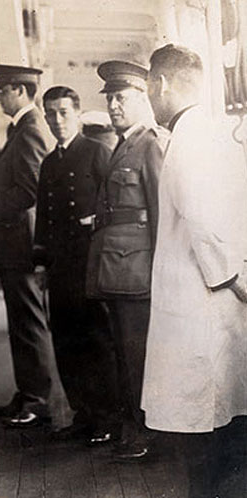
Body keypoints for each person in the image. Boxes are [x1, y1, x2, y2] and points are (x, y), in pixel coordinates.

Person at [143, 44, 247, 497]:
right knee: (215, 409)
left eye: (149, 85)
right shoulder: (206, 133)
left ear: (160, 83)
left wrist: (232, 277)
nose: (150, 94)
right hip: (209, 292)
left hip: (204, 293)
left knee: (204, 416)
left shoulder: (190, 139)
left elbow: (203, 216)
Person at [86, 60, 169, 460]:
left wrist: (162, 270)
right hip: (120, 268)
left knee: (136, 355)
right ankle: (133, 428)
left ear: (141, 99)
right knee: (124, 351)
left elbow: (160, 212)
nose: (114, 106)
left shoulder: (149, 144)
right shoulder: (123, 145)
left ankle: (144, 433)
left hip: (139, 270)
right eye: (110, 99)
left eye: (121, 98)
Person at [0, 64, 70, 429]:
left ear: (19, 90)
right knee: (20, 321)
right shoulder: (22, 129)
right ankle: (27, 392)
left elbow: (32, 191)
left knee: (28, 322)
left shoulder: (30, 130)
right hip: (14, 243)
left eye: (2, 90)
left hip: (21, 242)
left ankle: (37, 399)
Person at [34, 86, 118, 444]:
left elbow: (115, 205)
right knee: (65, 340)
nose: (57, 120)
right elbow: (43, 216)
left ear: (78, 114)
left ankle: (106, 418)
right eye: (51, 114)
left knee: (96, 339)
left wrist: (96, 222)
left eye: (64, 112)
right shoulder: (49, 163)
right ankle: (82, 414)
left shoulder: (98, 152)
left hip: (91, 264)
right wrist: (40, 263)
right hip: (60, 267)